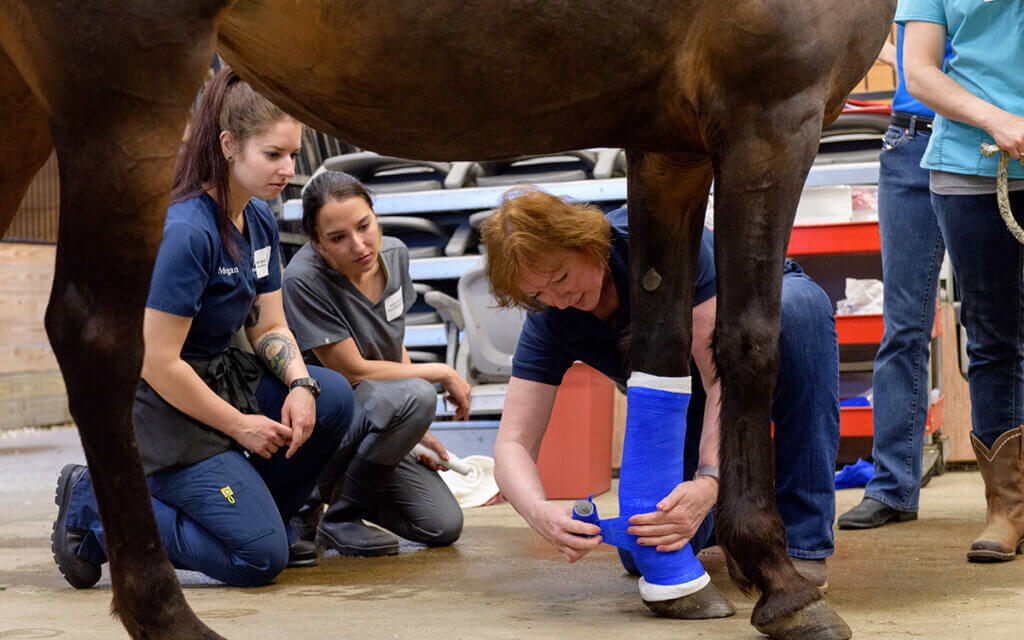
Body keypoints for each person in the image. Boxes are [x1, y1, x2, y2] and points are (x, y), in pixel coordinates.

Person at [51, 69, 357, 588]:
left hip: (220, 376)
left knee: (331, 398)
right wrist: (240, 426)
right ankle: (97, 501)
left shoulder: (257, 218)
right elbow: (157, 361)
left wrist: (300, 383)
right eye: (273, 154)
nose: (288, 169)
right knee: (260, 559)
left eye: (293, 155)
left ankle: (252, 514)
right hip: (160, 400)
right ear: (229, 145)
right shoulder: (187, 231)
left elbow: (269, 323)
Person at [480, 187, 840, 614]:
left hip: (745, 340)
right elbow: (512, 444)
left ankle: (802, 536)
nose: (559, 299)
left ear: (585, 241)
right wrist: (541, 514)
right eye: (538, 294)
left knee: (798, 311)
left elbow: (722, 374)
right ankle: (734, 507)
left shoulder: (657, 239)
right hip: (683, 394)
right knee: (644, 545)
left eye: (561, 278)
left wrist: (709, 483)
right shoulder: (552, 316)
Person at [281, 171, 465, 556]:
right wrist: (442, 374)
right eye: (337, 238)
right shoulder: (303, 280)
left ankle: (338, 506)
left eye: (365, 226)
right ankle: (334, 516)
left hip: (374, 422)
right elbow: (354, 371)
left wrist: (412, 429)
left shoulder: (394, 256)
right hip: (326, 431)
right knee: (416, 392)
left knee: (441, 524)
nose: (359, 245)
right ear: (317, 244)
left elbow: (393, 348)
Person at [899, 0, 1024, 561]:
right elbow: (919, 69)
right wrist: (995, 117)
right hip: (972, 165)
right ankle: (1008, 509)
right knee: (995, 337)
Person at [838, 27, 954, 530]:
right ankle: (892, 487)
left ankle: (1008, 493)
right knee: (902, 325)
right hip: (908, 139)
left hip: (979, 135)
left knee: (1001, 324)